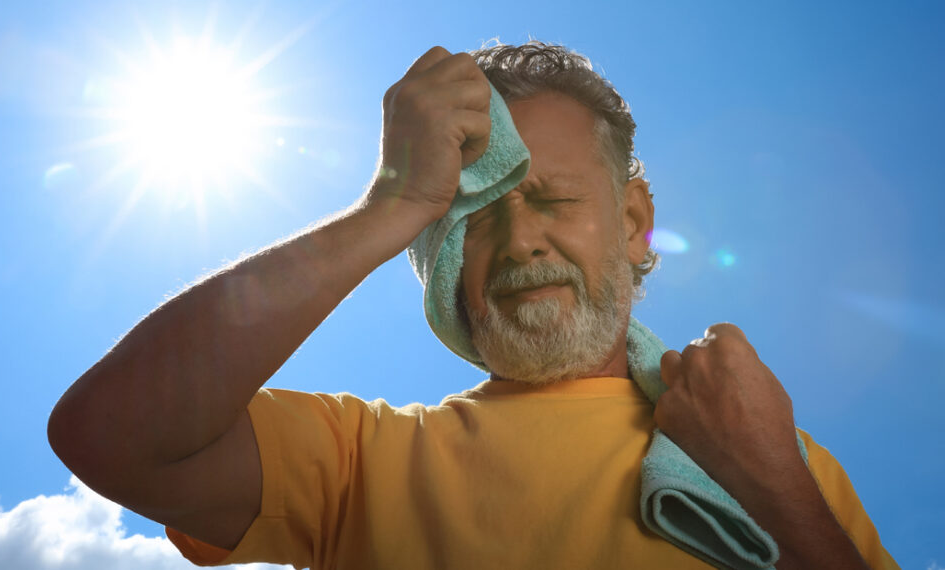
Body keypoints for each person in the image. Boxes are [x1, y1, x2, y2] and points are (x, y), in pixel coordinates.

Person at [49, 41, 897, 569]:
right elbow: (110, 437)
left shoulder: (782, 462)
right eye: (476, 216)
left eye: (554, 198)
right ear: (437, 258)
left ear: (636, 223)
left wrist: (775, 484)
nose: (521, 239)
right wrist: (392, 205)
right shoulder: (359, 463)